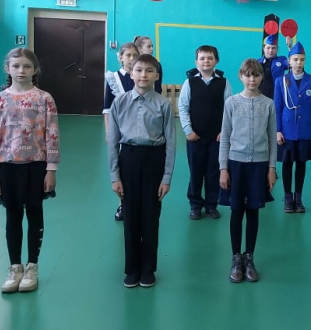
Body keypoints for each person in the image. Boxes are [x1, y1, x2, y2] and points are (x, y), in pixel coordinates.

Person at [0, 47, 60, 293]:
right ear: (7, 69)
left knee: (35, 213)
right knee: (13, 216)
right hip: (7, 167)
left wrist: (51, 169)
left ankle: (32, 266)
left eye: (27, 66)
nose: (21, 71)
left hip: (36, 166)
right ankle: (14, 266)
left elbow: (52, 134)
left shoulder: (44, 99)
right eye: (16, 66)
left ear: (35, 69)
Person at [108, 54, 176, 287]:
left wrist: (166, 178)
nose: (143, 75)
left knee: (150, 216)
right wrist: (115, 175)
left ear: (156, 75)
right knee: (130, 217)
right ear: (131, 73)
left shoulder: (163, 104)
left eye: (149, 71)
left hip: (153, 161)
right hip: (128, 160)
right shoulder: (120, 102)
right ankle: (132, 268)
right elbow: (112, 141)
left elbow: (171, 143)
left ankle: (148, 268)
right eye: (138, 70)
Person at [219, 59, 277, 283]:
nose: (252, 79)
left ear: (262, 77)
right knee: (236, 211)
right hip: (236, 164)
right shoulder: (231, 103)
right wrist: (223, 168)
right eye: (248, 75)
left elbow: (272, 139)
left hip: (259, 166)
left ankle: (249, 257)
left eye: (256, 75)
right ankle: (236, 258)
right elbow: (225, 137)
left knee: (253, 211)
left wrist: (271, 168)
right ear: (240, 76)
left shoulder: (268, 104)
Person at [178, 45, 233, 220]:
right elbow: (183, 108)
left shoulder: (224, 83)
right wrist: (188, 131)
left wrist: (224, 132)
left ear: (216, 61)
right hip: (195, 138)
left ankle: (211, 204)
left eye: (210, 58)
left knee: (213, 172)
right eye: (202, 58)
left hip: (217, 139)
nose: (206, 61)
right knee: (196, 172)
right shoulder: (189, 83)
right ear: (196, 62)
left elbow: (229, 110)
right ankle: (195, 205)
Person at [273, 41, 311, 213]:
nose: (298, 63)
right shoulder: (281, 81)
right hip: (287, 129)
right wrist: (277, 130)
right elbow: (277, 107)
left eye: (302, 59)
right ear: (289, 61)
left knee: (301, 163)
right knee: (287, 163)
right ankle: (288, 197)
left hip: (305, 129)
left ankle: (298, 196)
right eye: (295, 59)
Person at [104, 42, 140, 222]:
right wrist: (108, 131)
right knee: (122, 168)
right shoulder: (113, 78)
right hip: (120, 128)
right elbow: (107, 108)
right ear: (120, 57)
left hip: (139, 128)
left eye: (135, 55)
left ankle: (138, 203)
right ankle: (122, 204)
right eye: (128, 55)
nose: (131, 59)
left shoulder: (140, 76)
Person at [257, 14, 289, 101]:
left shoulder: (282, 60)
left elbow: (291, 64)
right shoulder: (257, 62)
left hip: (277, 96)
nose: (271, 50)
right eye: (268, 48)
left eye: (273, 48)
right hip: (260, 96)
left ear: (277, 49)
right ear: (264, 48)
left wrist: (289, 47)